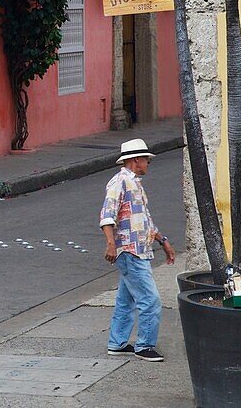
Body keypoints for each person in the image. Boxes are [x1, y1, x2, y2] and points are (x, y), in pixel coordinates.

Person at [99, 138, 175, 362]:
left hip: (138, 249)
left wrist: (163, 241)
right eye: (146, 160)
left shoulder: (135, 183)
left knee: (126, 300)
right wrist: (111, 244)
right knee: (150, 301)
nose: (148, 164)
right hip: (130, 251)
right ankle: (144, 346)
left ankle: (117, 343)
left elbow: (144, 220)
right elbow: (107, 215)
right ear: (135, 160)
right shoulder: (119, 182)